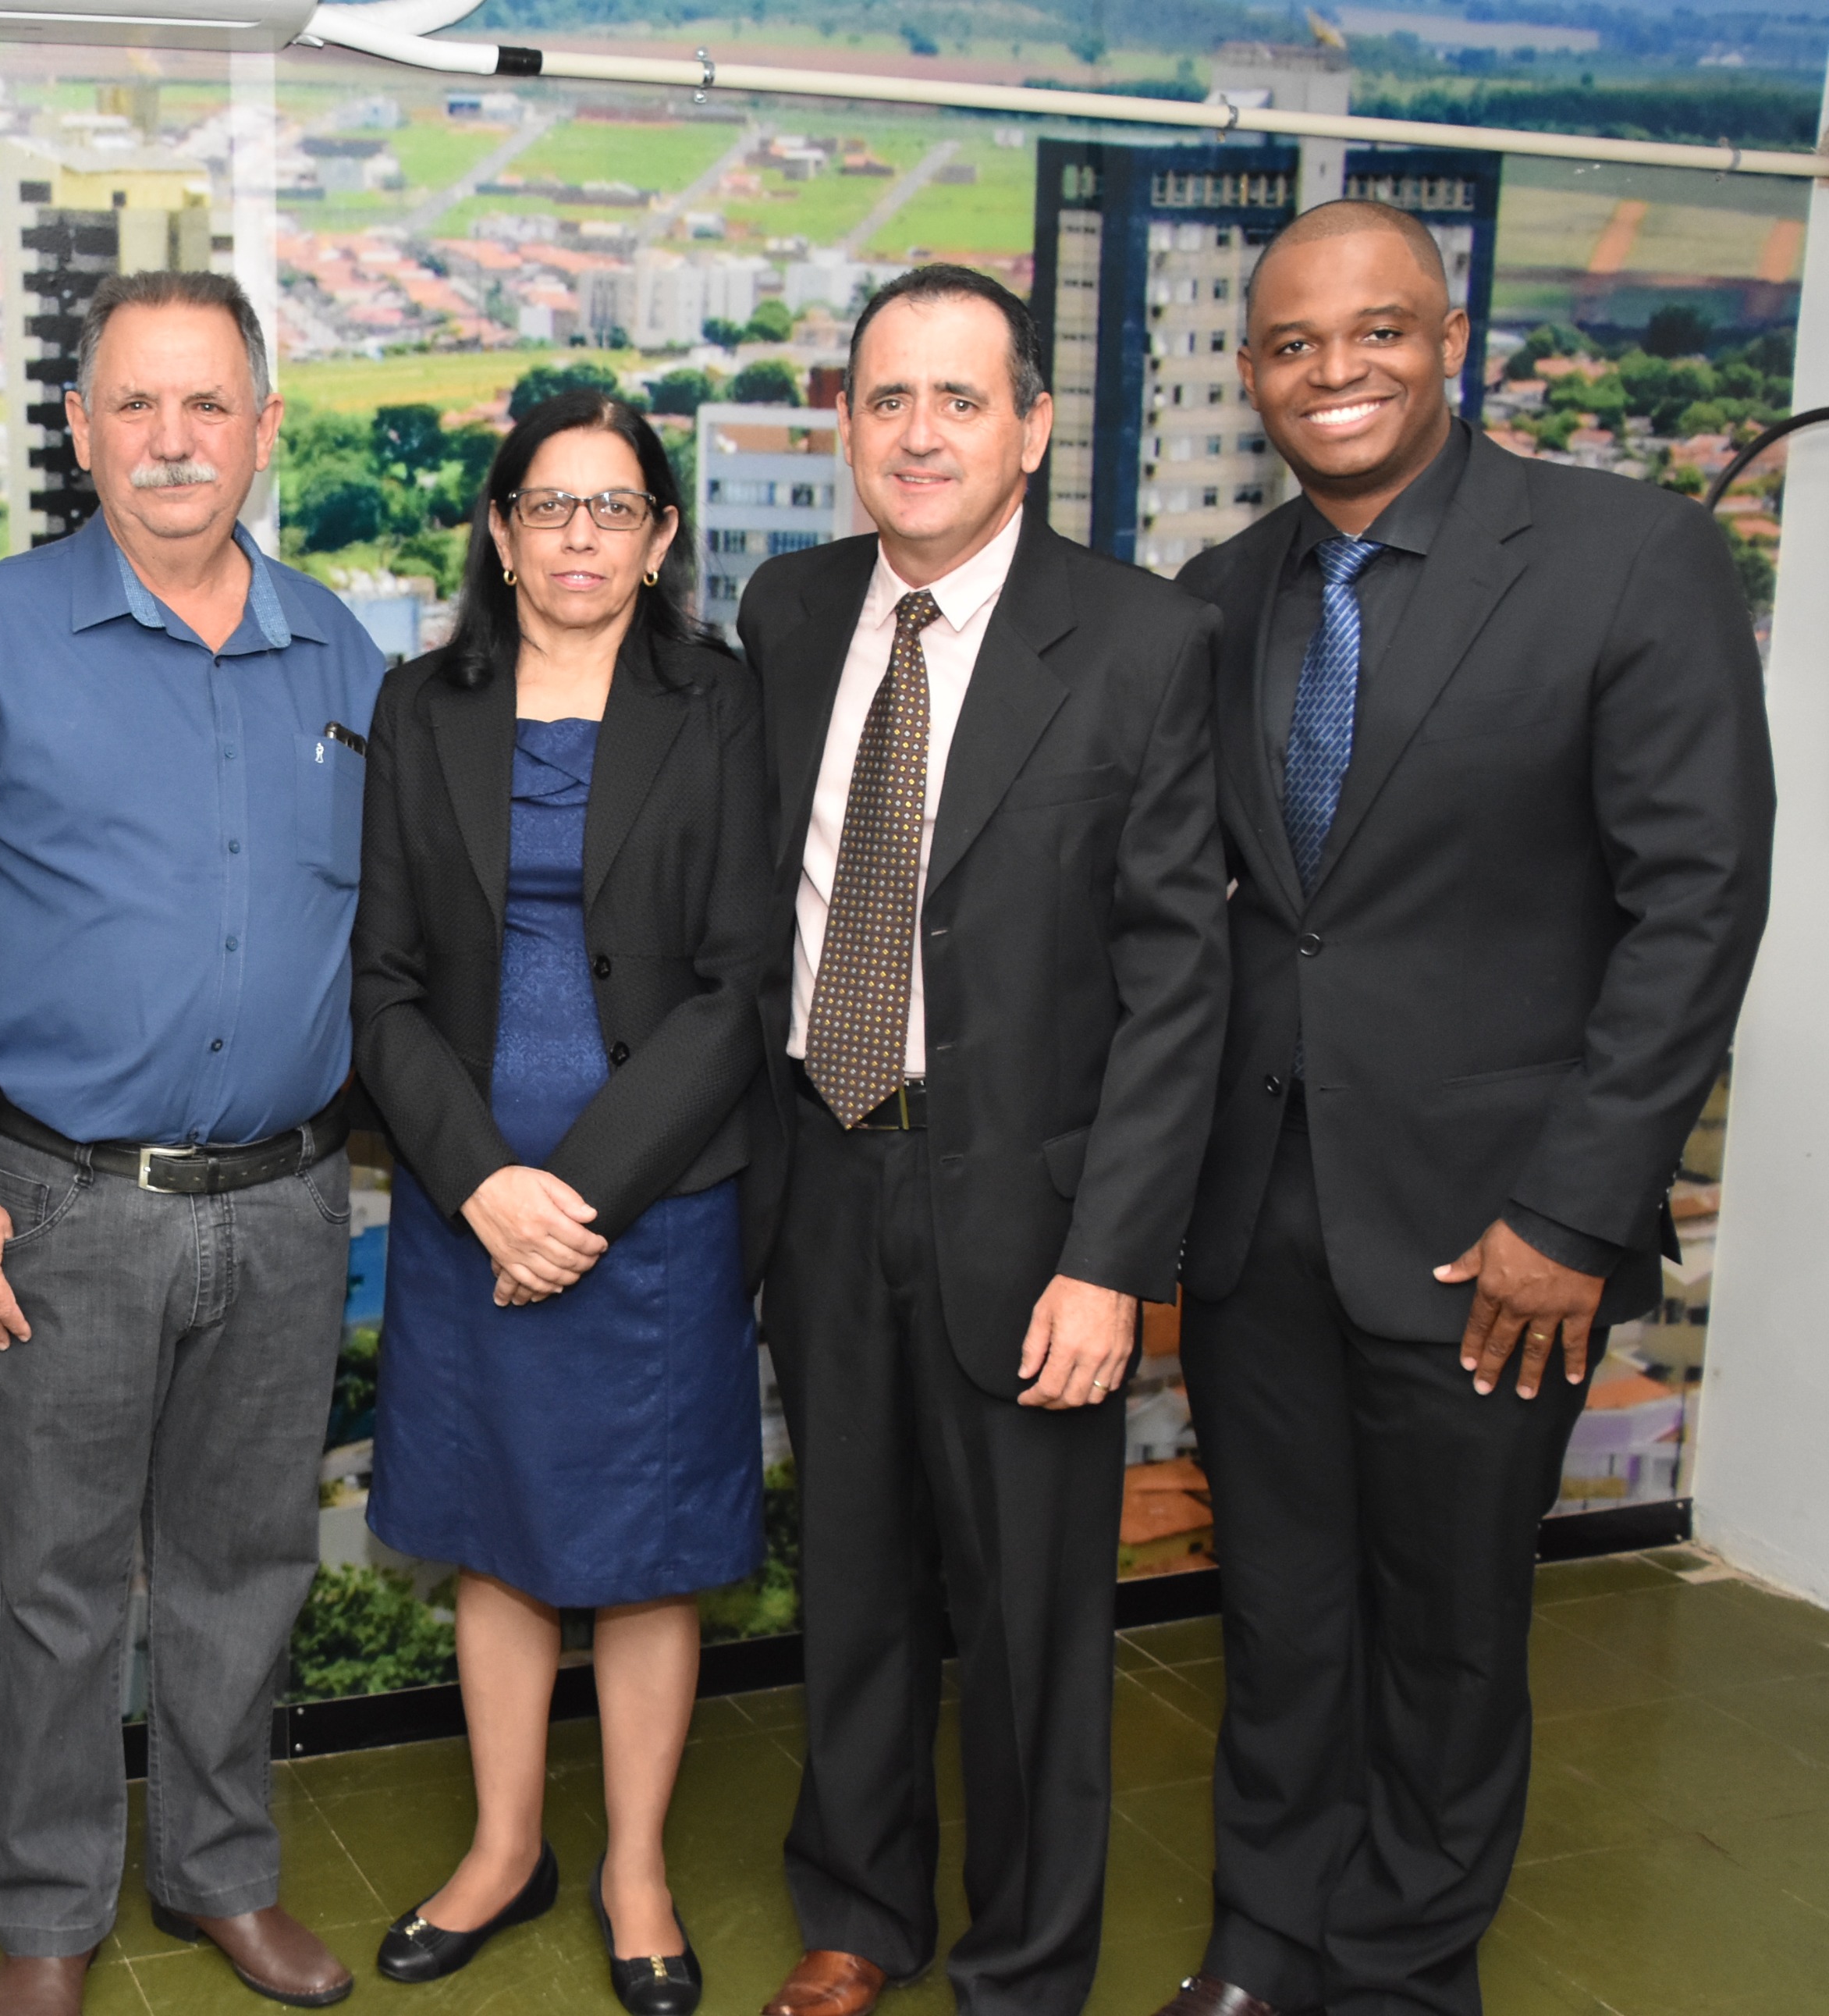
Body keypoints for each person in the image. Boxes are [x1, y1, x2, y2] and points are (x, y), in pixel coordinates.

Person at [1151, 201, 1774, 2016]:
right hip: (1258, 1214)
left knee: (1444, 1635)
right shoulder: (1220, 591)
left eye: (1376, 330)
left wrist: (1571, 1210)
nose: (1331, 369)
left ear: (1451, 338)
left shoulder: (1626, 554)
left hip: (1495, 1232)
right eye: (1290, 343)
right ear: (1250, 370)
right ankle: (1266, 1943)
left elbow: (1695, 902)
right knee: (1278, 1612)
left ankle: (1404, 1975)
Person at [0, 268, 385, 2016]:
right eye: (134, 404)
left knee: (247, 1570)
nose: (171, 439)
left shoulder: (339, 652)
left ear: (262, 429)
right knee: (59, 1587)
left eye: (207, 403)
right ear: (78, 431)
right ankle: (48, 1917)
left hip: (289, 1201)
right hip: (58, 1205)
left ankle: (223, 1875)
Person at [738, 265, 1228, 2016]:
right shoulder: (791, 610)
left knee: (1028, 1623)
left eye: (961, 398)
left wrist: (1111, 1261)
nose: (921, 433)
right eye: (888, 398)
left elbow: (1180, 986)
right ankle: (861, 1909)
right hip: (824, 1174)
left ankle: (1024, 1966)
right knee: (854, 1584)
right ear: (845, 426)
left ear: (1031, 426)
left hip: (1030, 1217)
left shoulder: (1143, 641)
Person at [353, 390, 769, 2014]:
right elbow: (383, 982)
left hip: (651, 1204)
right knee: (495, 1532)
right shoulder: (420, 704)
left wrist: (575, 1197)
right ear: (501, 529)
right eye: (548, 503)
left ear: (659, 538)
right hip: (466, 1197)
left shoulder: (719, 702)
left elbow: (738, 986)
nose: (579, 534)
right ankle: (504, 1845)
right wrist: (483, 1184)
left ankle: (634, 1865)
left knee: (649, 1548)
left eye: (614, 507)